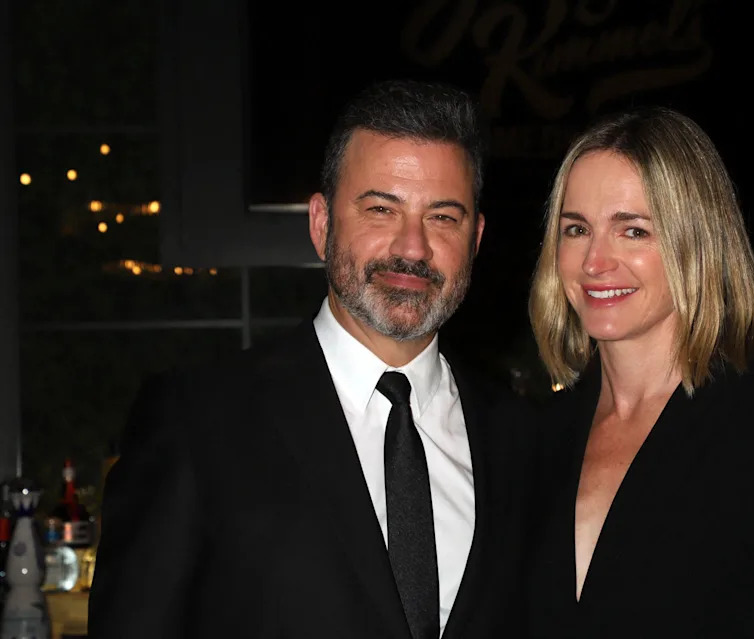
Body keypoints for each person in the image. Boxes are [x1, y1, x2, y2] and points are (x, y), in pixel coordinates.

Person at [89, 80, 535, 639]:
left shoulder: (520, 438)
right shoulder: (196, 422)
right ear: (322, 224)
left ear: (476, 238)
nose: (413, 247)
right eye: (381, 209)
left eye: (443, 217)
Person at [524, 107, 754, 637]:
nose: (594, 261)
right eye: (576, 229)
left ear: (697, 242)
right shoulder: (535, 436)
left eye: (632, 231)